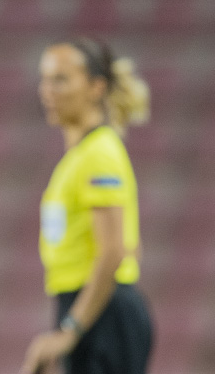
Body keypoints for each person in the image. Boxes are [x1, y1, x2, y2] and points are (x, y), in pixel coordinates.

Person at [21, 37, 153, 374]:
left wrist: (70, 331)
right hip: (88, 306)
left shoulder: (99, 155)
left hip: (104, 313)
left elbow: (113, 252)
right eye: (45, 79)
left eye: (61, 79)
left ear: (96, 87)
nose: (46, 90)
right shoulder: (79, 157)